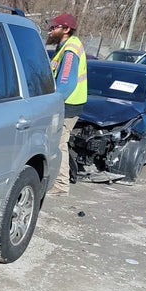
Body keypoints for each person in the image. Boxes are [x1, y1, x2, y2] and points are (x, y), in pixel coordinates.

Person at [47, 13, 87, 195]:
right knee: (59, 142)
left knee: (59, 143)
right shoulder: (64, 46)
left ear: (66, 29)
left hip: (68, 105)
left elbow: (66, 83)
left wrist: (52, 103)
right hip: (70, 103)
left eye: (54, 27)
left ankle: (61, 185)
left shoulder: (70, 50)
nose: (51, 30)